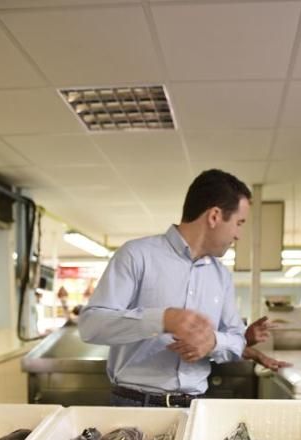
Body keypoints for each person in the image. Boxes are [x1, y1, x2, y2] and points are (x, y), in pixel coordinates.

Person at [78, 169, 251, 407]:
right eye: (238, 223)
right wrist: (161, 319)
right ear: (214, 216)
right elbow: (91, 325)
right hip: (134, 406)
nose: (239, 235)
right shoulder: (137, 255)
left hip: (196, 407)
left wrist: (213, 342)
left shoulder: (221, 276)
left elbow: (238, 340)